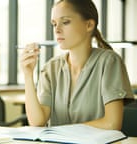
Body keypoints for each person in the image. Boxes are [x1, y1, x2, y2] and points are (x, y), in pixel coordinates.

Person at [20, 0, 133, 130]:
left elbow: (112, 124)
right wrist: (28, 75)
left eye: (65, 22)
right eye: (54, 24)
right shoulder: (51, 68)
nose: (57, 30)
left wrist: (63, 130)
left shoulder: (109, 62)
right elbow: (37, 122)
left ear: (89, 25)